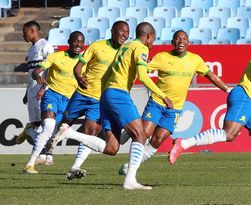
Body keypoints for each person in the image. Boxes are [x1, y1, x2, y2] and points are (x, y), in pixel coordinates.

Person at [52, 22, 172, 190]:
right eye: (153, 39)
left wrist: (105, 95)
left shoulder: (125, 47)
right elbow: (144, 77)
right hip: (118, 94)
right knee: (140, 135)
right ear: (148, 36)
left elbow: (108, 73)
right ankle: (130, 180)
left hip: (106, 94)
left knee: (112, 147)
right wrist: (163, 96)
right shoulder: (141, 48)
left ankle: (70, 133)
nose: (152, 43)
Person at [169, 35, 251, 185]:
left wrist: (250, 121)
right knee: (229, 134)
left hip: (247, 101)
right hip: (243, 96)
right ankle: (184, 143)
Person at [118, 30, 231, 175]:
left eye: (184, 39)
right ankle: (132, 132)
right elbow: (142, 69)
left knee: (157, 141)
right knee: (144, 133)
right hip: (157, 102)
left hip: (175, 109)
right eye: (177, 39)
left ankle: (129, 167)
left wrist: (228, 90)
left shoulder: (195, 59)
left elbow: (211, 76)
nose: (181, 41)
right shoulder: (161, 57)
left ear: (188, 42)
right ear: (172, 42)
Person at [61, 21, 129, 180]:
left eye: (127, 32)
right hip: (81, 93)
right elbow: (78, 67)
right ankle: (45, 154)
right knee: (63, 125)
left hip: (100, 99)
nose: (125, 34)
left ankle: (75, 166)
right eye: (122, 31)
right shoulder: (97, 46)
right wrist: (78, 77)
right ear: (112, 31)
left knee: (90, 131)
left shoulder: (126, 52)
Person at [23, 31, 85, 174]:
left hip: (68, 101)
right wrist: (37, 76)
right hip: (52, 95)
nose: (78, 45)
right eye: (76, 41)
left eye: (81, 42)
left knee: (54, 133)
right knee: (48, 127)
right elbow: (36, 71)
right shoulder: (56, 56)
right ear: (69, 41)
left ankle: (30, 133)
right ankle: (30, 164)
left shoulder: (83, 62)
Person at [16, 21, 55, 164]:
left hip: (42, 90)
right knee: (36, 124)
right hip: (32, 91)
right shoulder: (31, 50)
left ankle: (48, 154)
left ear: (33, 31)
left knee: (46, 123)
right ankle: (44, 155)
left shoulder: (46, 46)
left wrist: (44, 87)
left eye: (24, 32)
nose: (23, 35)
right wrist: (27, 92)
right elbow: (31, 73)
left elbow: (51, 69)